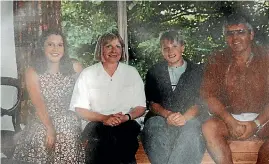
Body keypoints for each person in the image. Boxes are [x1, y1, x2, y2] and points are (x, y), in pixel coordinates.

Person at [201, 14, 269, 164]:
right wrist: (229, 121)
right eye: (230, 34)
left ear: (251, 34)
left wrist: (256, 123)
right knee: (209, 127)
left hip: (264, 119)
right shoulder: (217, 60)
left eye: (240, 32)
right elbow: (208, 96)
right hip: (230, 118)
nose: (235, 38)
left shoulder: (266, 57)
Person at [69, 32, 146, 164]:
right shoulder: (88, 74)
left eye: (118, 46)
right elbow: (79, 109)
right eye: (108, 46)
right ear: (100, 49)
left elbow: (141, 107)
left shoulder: (131, 73)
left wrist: (125, 117)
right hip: (96, 123)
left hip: (126, 121)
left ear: (122, 50)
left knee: (122, 137)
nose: (114, 50)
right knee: (104, 139)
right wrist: (105, 118)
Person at [12, 30, 85, 163]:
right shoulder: (32, 71)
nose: (55, 49)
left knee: (65, 134)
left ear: (64, 48)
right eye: (50, 44)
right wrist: (50, 127)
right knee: (41, 137)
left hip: (67, 117)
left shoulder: (75, 66)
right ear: (42, 47)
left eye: (60, 45)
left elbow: (85, 95)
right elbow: (38, 103)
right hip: (42, 117)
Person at [141, 30, 206, 164]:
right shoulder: (154, 71)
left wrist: (184, 118)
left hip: (189, 118)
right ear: (161, 51)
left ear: (182, 47)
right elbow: (152, 103)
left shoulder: (197, 71)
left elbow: (200, 102)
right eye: (166, 48)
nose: (170, 51)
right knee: (153, 125)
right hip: (162, 117)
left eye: (174, 46)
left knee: (193, 128)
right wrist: (168, 115)